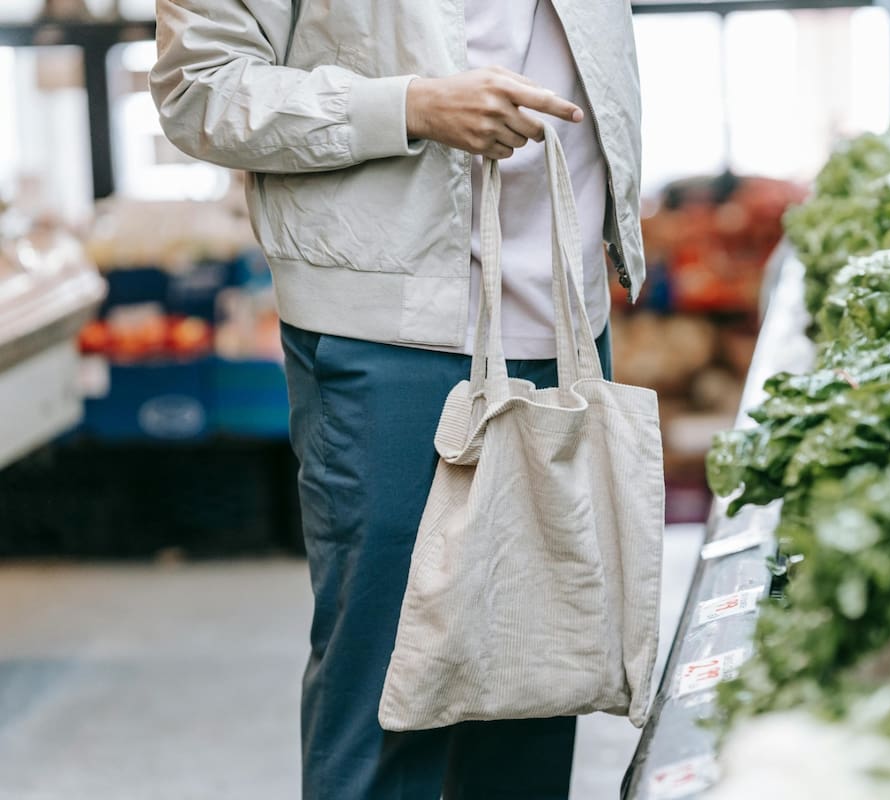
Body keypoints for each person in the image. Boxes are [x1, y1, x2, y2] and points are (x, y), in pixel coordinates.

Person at [150, 2, 645, 798]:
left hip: (565, 318)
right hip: (390, 330)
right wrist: (408, 106)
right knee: (386, 709)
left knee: (535, 696)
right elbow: (198, 88)